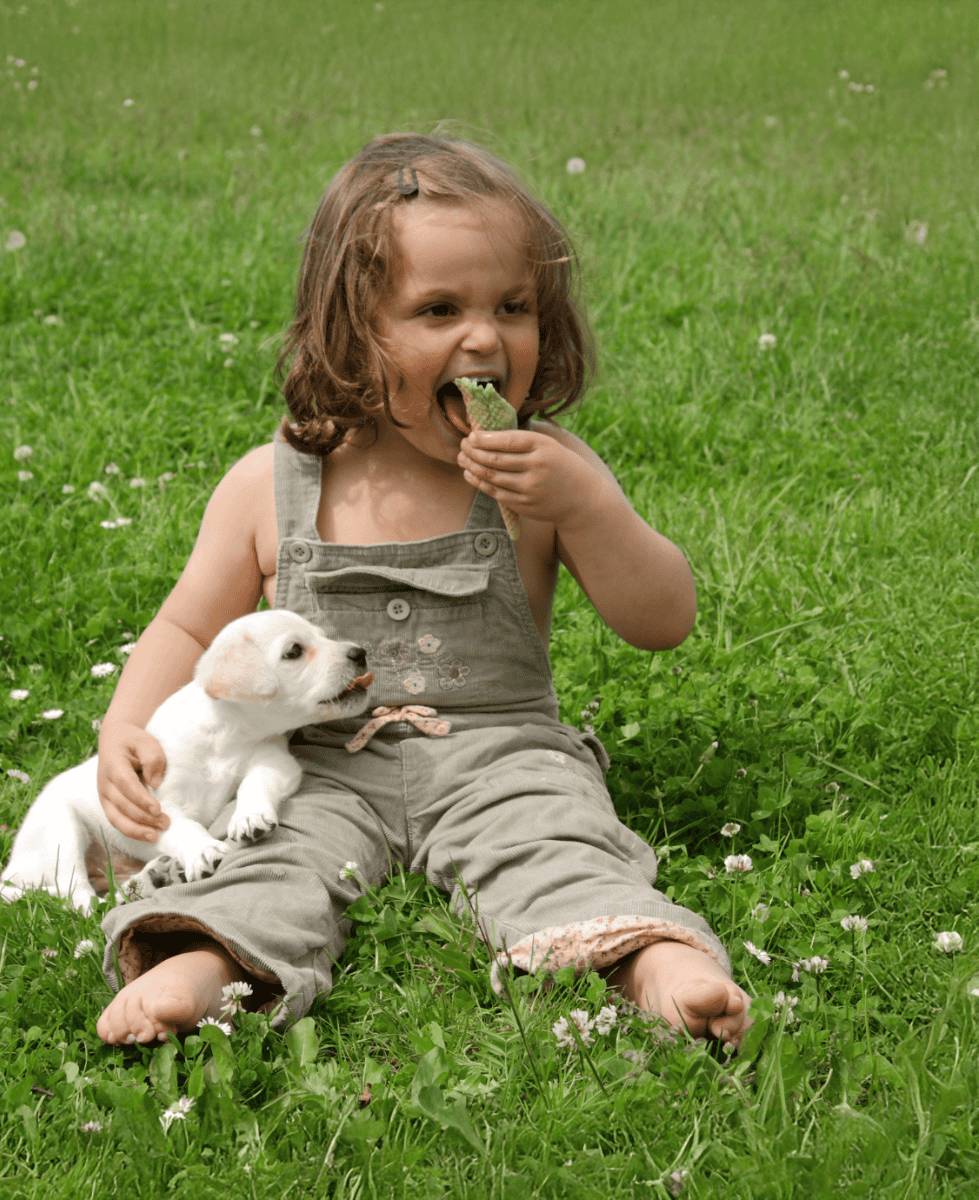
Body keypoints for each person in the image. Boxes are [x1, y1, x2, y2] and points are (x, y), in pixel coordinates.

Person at [92, 133, 751, 1049]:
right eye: (439, 308)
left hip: (502, 755)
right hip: (314, 763)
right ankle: (205, 967)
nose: (484, 336)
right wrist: (124, 729)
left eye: (513, 306)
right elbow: (187, 622)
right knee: (272, 856)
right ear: (354, 333)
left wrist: (591, 508)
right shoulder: (273, 483)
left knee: (554, 846)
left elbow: (662, 620)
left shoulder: (547, 473)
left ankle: (654, 963)